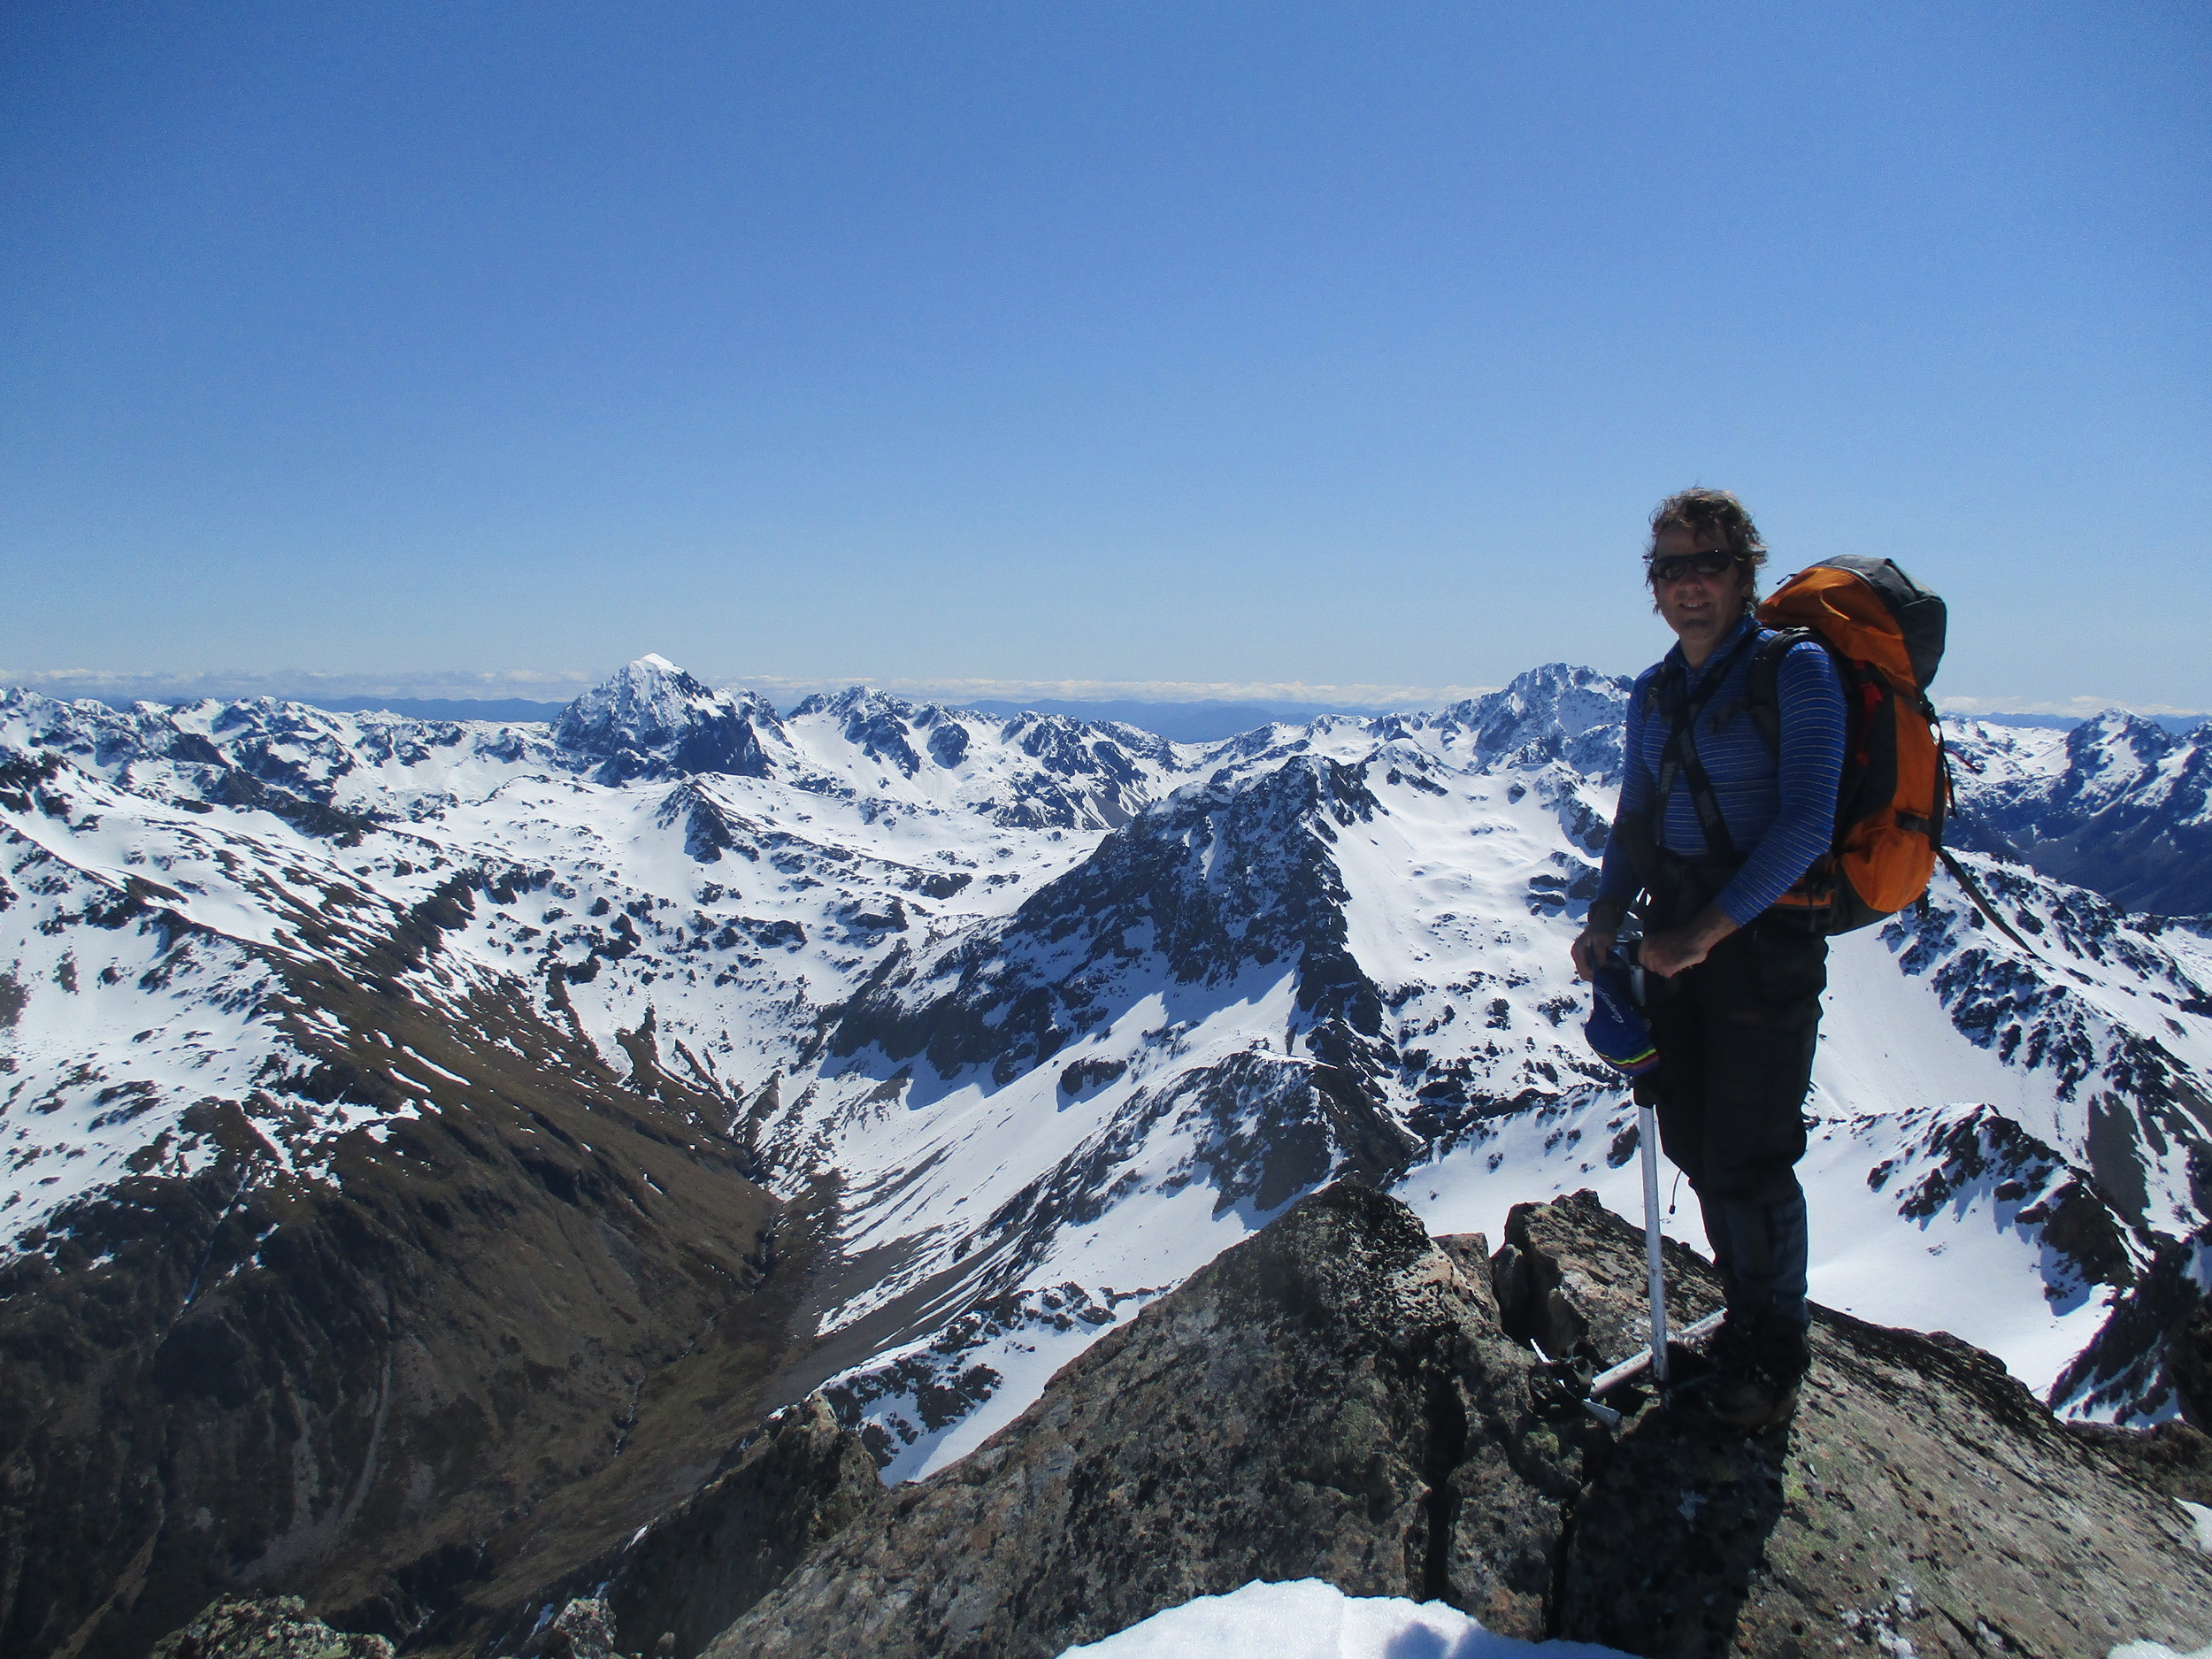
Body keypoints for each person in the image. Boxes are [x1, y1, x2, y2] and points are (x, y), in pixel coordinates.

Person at [1572, 488, 1846, 1432]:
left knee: (1750, 1153)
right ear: (1653, 588)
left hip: (1758, 944)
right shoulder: (1656, 693)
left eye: (1707, 565)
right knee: (1692, 1137)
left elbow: (1807, 823)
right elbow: (1635, 817)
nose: (1688, 586)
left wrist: (1704, 931)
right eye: (1670, 569)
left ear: (1745, 573)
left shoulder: (1795, 673)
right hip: (1671, 937)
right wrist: (1609, 913)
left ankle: (1775, 1355)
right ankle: (1743, 1318)